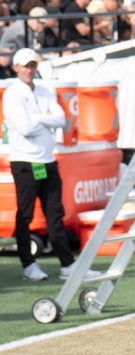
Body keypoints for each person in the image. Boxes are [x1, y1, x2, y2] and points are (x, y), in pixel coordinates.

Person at [5, 49, 99, 284]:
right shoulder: (12, 94)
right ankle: (29, 265)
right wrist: (45, 121)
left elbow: (60, 119)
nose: (29, 70)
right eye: (25, 65)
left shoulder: (46, 90)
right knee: (25, 214)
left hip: (47, 160)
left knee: (55, 213)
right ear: (16, 67)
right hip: (25, 162)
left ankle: (67, 264)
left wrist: (37, 119)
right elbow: (25, 127)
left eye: (32, 65)